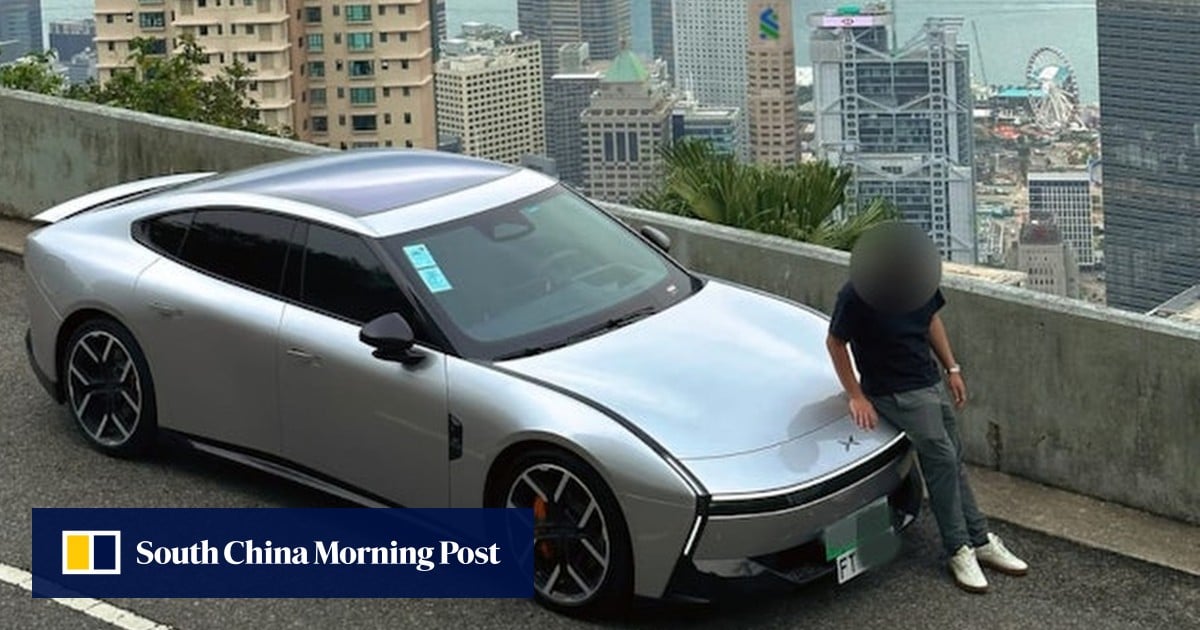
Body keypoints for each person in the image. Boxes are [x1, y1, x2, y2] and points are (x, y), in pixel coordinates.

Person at [825, 280, 1029, 594]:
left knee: (953, 458)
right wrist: (856, 395)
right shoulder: (857, 293)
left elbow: (931, 318)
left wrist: (952, 368)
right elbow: (835, 342)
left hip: (928, 381)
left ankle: (978, 538)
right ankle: (959, 547)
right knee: (943, 461)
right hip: (893, 392)